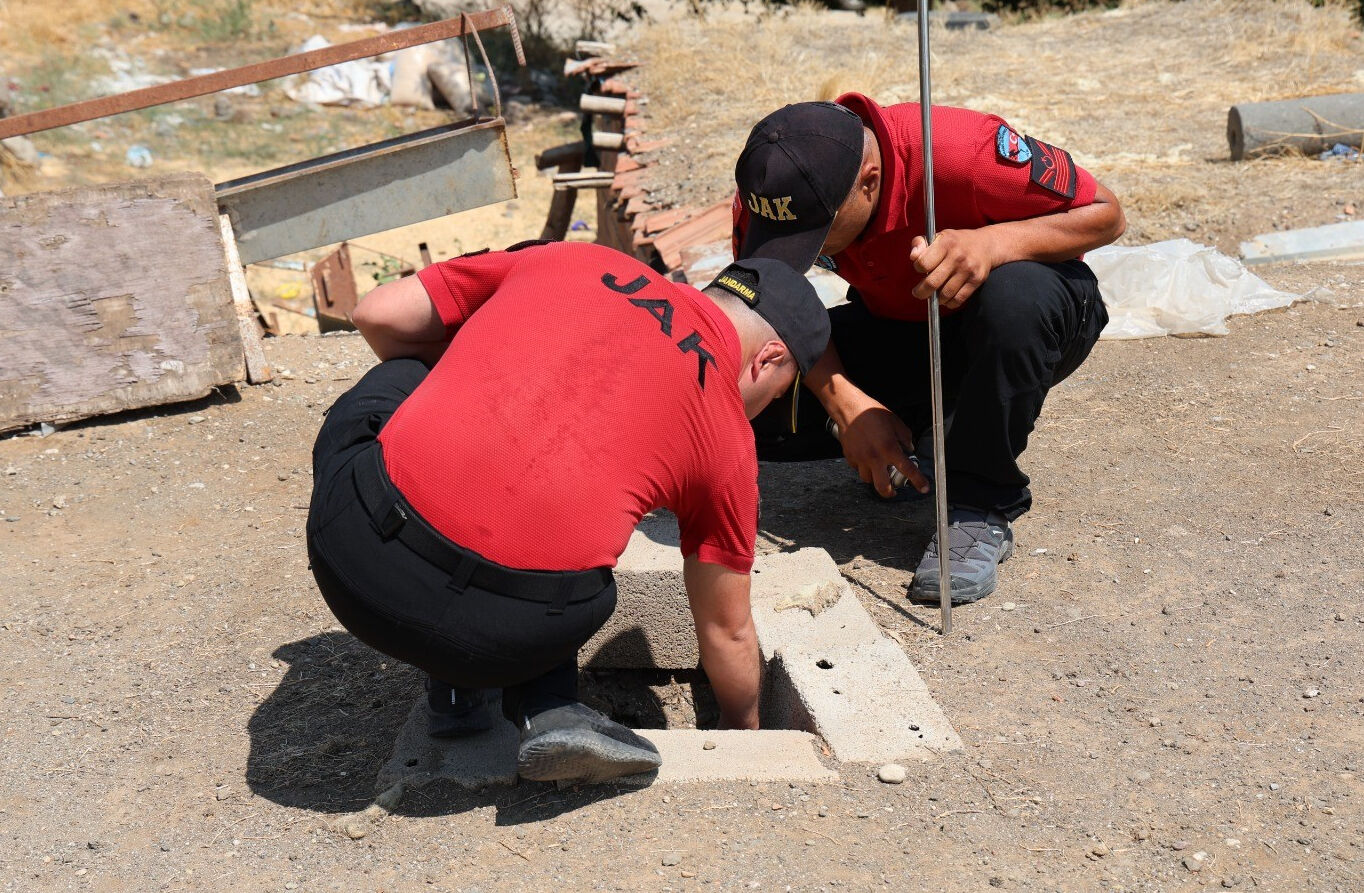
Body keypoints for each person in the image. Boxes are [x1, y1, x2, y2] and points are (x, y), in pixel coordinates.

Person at [306, 239, 830, 785]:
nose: (762, 410)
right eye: (776, 395)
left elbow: (378, 313)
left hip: (351, 564)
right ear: (768, 358)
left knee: (405, 372)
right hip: (507, 640)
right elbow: (726, 628)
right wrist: (743, 729)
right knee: (571, 568)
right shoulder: (727, 438)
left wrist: (467, 376)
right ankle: (547, 706)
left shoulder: (578, 258)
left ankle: (457, 697)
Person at [732, 95, 1125, 606]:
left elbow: (1106, 215)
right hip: (901, 325)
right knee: (743, 389)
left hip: (1021, 317)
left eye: (817, 235)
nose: (806, 251)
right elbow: (769, 302)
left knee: (1014, 299)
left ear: (870, 182)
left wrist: (993, 245)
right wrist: (846, 405)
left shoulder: (960, 153)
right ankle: (920, 437)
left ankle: (978, 504)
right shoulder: (771, 192)